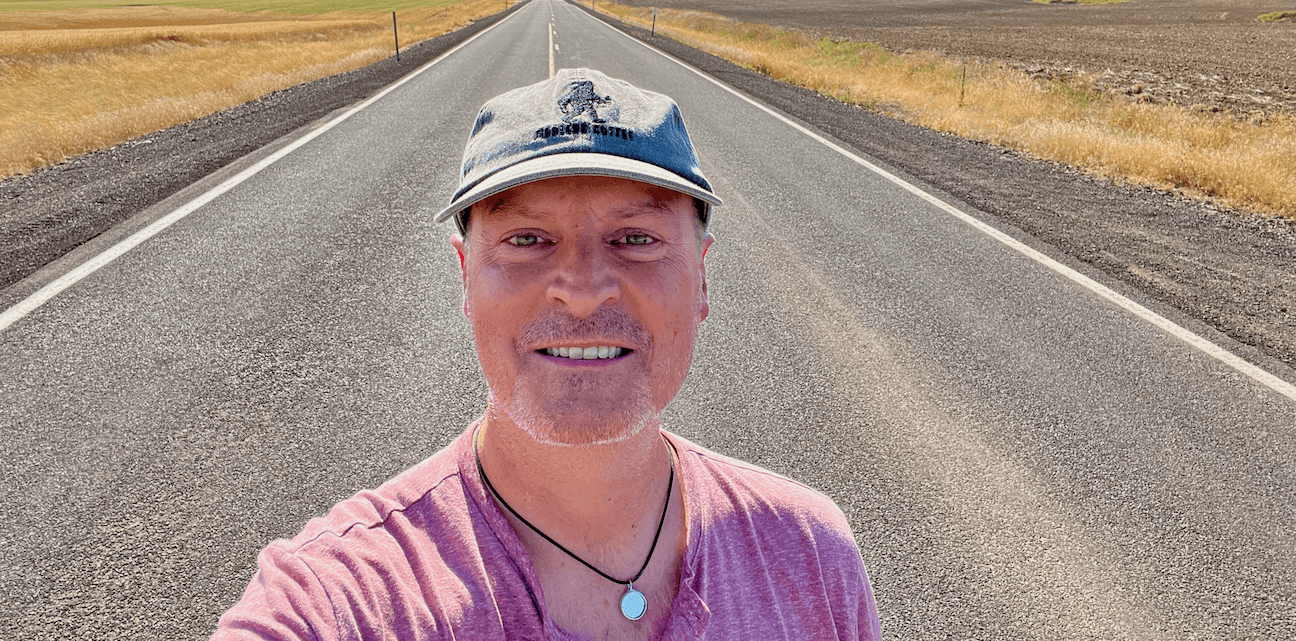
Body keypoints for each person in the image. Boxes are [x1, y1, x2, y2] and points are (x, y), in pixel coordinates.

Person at [213, 68, 881, 640]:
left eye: (637, 238)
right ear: (465, 278)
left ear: (702, 278)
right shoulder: (342, 599)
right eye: (527, 239)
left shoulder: (811, 556)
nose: (585, 292)